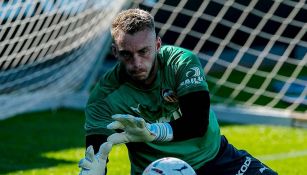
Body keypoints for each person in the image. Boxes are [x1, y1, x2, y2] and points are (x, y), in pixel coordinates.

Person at [78, 8, 278, 175]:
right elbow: (97, 156)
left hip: (215, 158)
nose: (136, 63)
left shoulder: (180, 63)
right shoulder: (102, 98)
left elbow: (197, 123)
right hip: (156, 171)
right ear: (114, 51)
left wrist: (151, 132)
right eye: (126, 54)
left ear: (157, 44)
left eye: (143, 52)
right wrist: (93, 171)